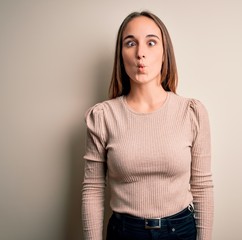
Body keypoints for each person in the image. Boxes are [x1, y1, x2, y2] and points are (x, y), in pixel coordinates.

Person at [82, 11, 214, 240]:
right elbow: (93, 189)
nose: (140, 53)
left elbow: (202, 186)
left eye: (151, 42)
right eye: (130, 43)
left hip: (181, 231)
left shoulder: (192, 112)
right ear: (121, 55)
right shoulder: (102, 117)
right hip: (124, 233)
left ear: (165, 53)